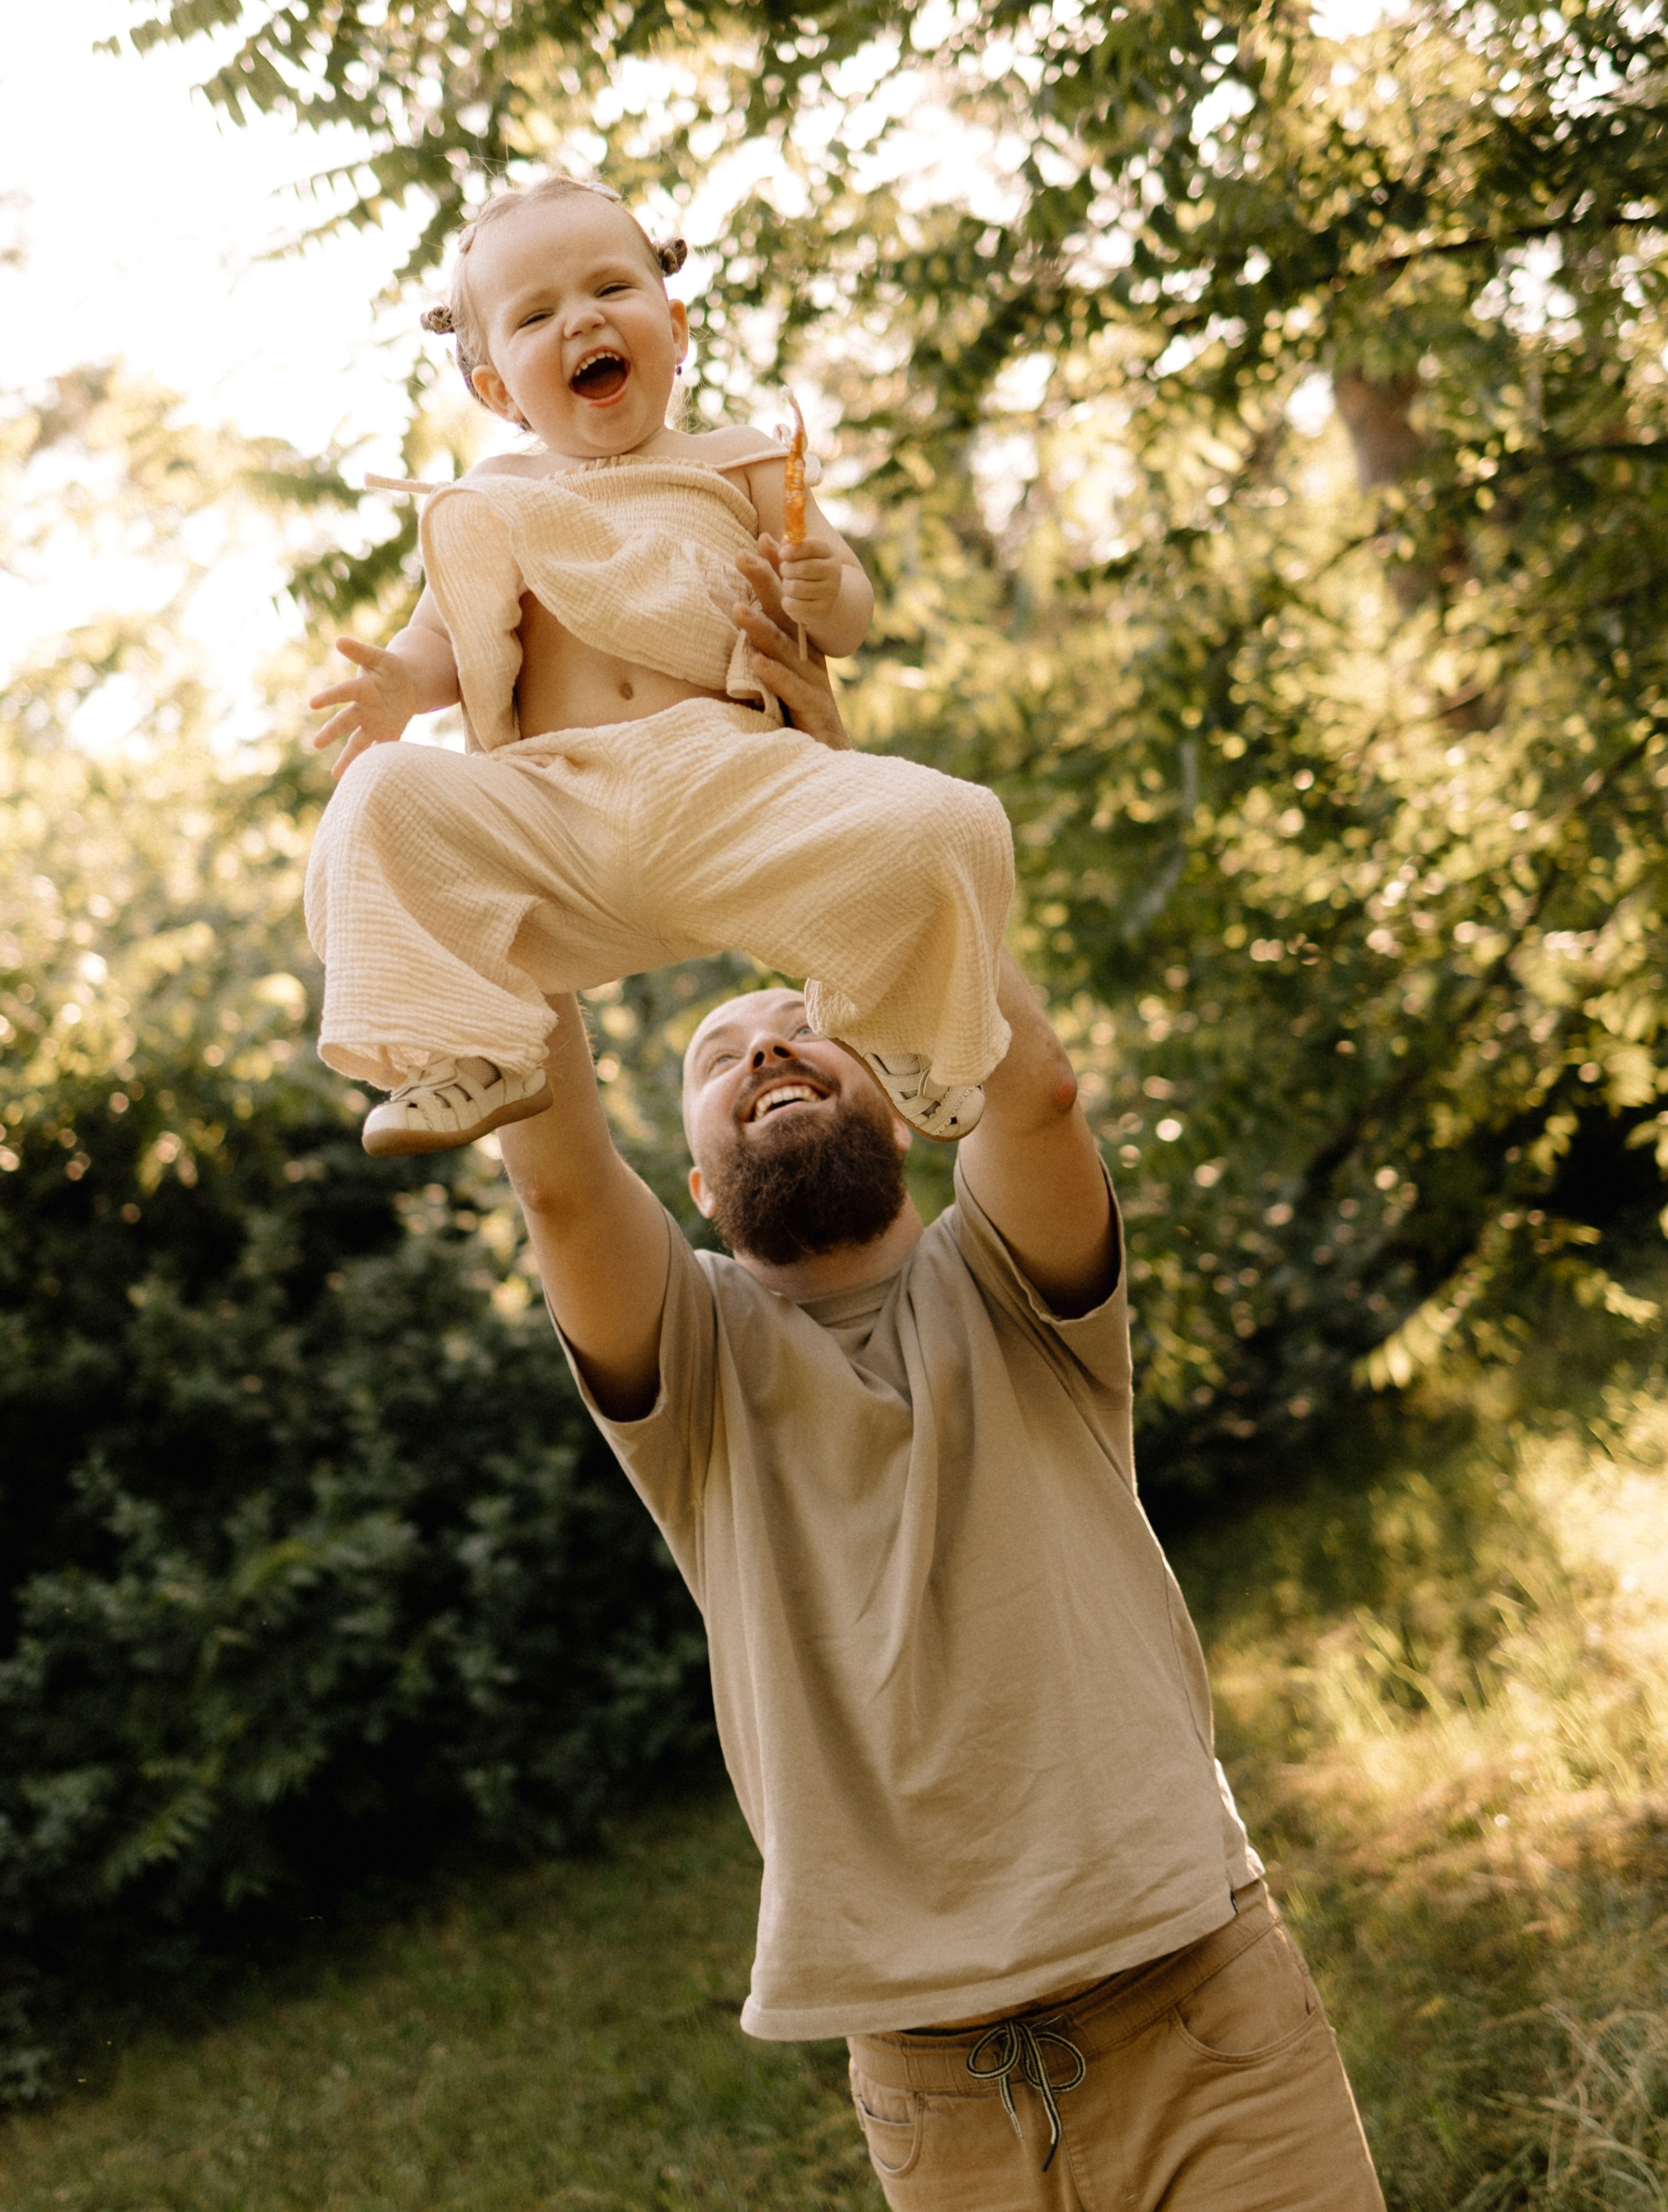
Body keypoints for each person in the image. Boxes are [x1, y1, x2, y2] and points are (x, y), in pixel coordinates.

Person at [495, 600, 1387, 2209]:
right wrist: (513, 793)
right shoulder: (690, 1364)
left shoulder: (1014, 1287)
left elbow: (1025, 1078)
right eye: (721, 1051)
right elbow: (559, 1186)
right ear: (695, 1180)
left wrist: (832, 795)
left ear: (903, 1104)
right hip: (933, 2093)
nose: (769, 1040)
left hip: (1199, 2012)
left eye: (805, 1026)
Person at [302, 172, 1013, 1156]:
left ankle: (894, 1022)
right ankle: (468, 1053)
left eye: (610, 290)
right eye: (537, 313)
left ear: (675, 329)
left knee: (957, 819)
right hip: (558, 814)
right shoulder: (495, 495)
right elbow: (442, 641)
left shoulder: (739, 457)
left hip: (736, 789)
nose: (580, 320)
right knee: (377, 797)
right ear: (498, 389)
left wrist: (818, 590)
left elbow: (847, 605)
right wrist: (398, 687)